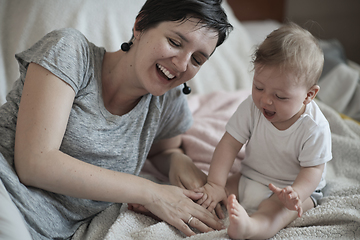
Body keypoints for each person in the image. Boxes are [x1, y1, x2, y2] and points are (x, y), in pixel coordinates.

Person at [0, 0, 233, 239]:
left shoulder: (167, 101)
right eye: (175, 42)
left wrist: (178, 161)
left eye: (197, 60)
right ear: (140, 25)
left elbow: (165, 150)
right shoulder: (70, 51)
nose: (182, 65)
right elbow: (35, 163)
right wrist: (152, 193)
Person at [196, 22, 332, 239]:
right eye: (259, 87)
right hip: (249, 176)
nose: (266, 100)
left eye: (280, 96)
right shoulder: (252, 107)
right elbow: (229, 144)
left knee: (274, 212)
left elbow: (313, 170)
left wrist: (296, 193)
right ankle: (177, 204)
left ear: (309, 95)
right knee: (208, 193)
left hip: (290, 190)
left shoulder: (314, 127)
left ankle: (251, 228)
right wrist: (215, 183)